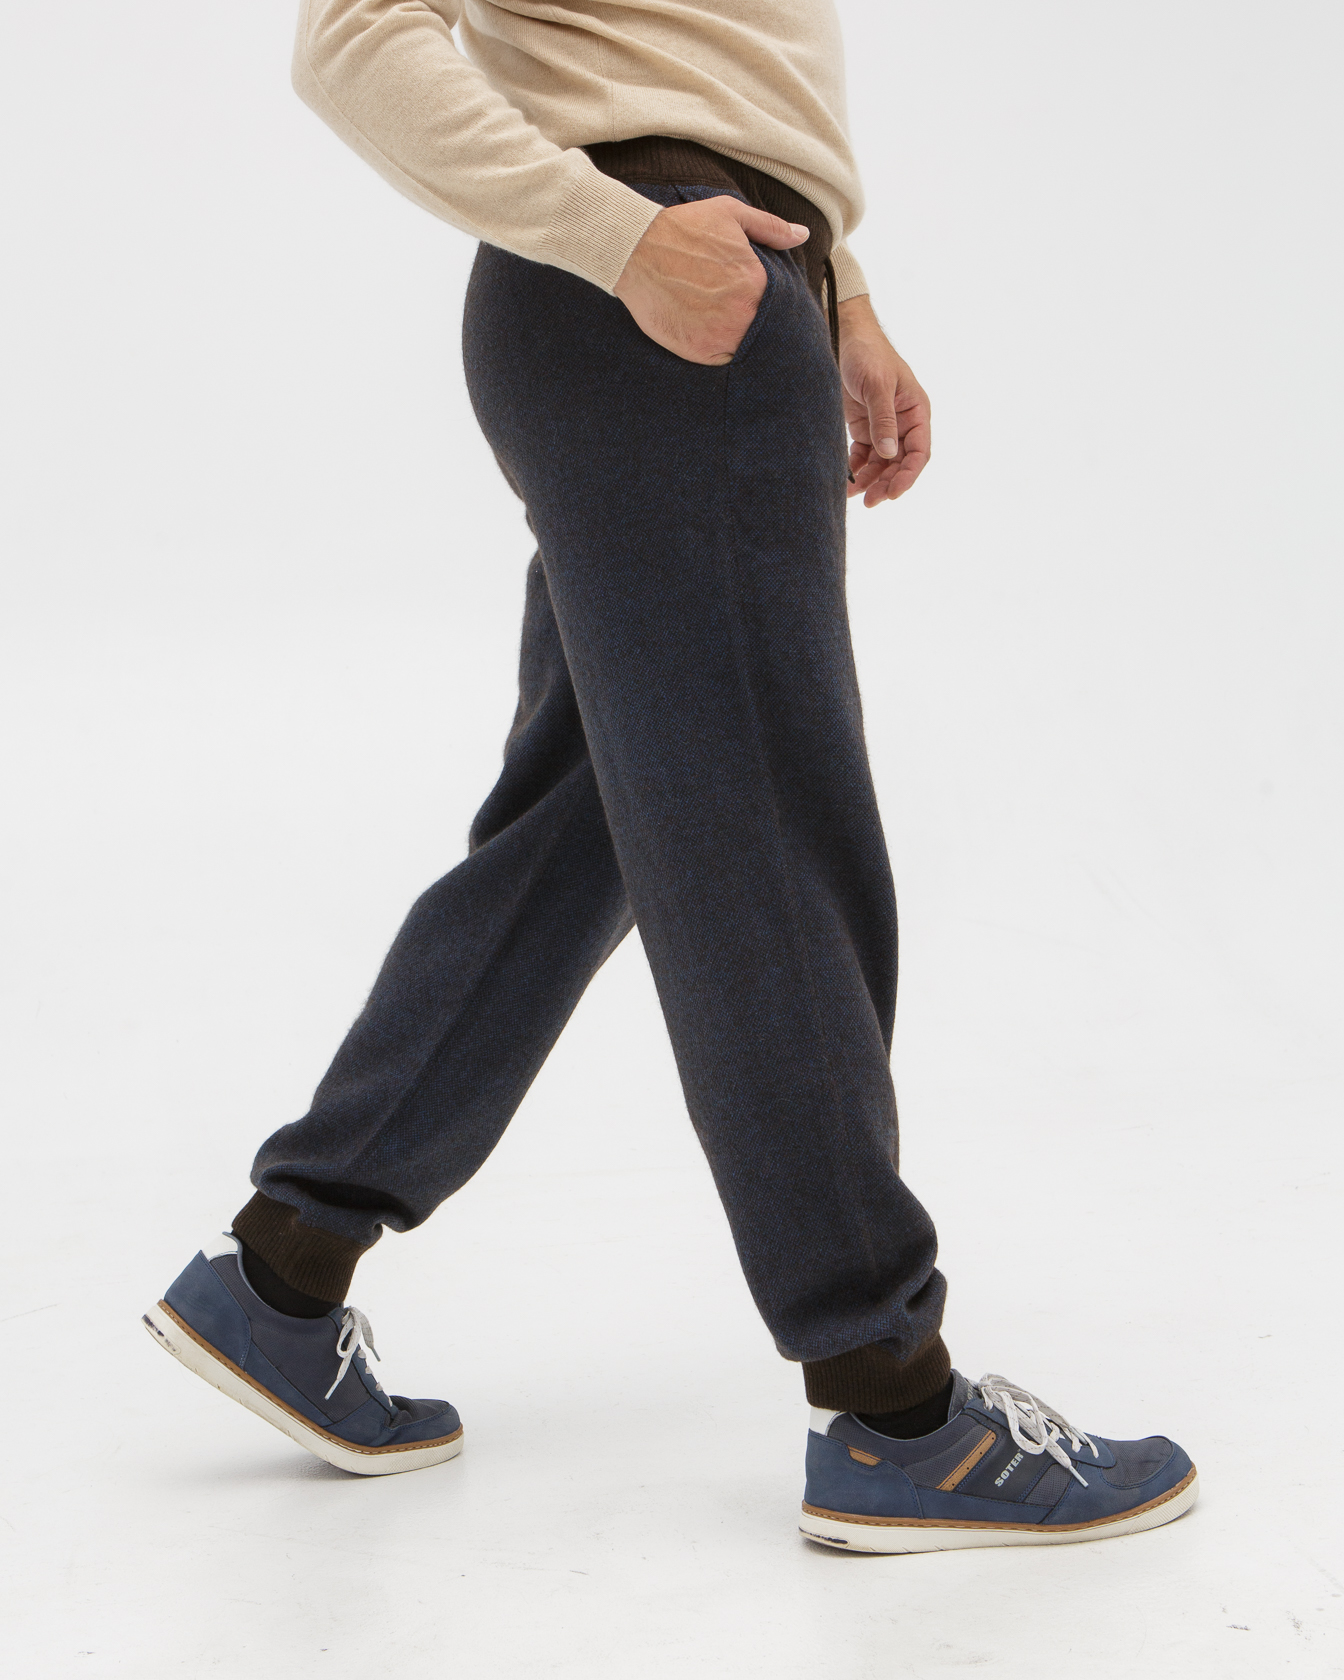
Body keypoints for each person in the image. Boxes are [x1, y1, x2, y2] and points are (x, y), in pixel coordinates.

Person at [142, 0, 1197, 1552]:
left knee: (587, 825)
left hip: (691, 291)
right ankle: (895, 1405)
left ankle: (287, 1268)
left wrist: (839, 293)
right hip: (651, 293)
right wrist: (620, 238)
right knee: (765, 825)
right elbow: (350, 38)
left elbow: (717, 64)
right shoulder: (629, 246)